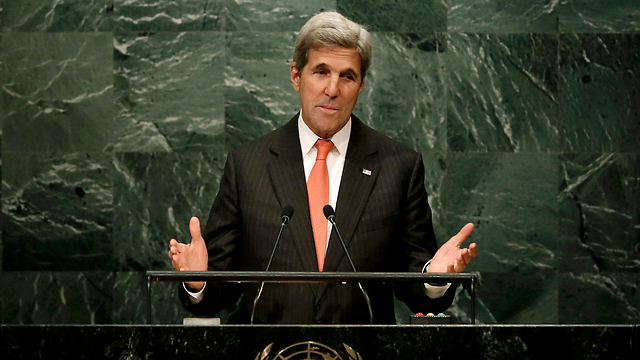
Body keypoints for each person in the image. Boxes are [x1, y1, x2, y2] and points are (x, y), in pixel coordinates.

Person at [168, 11, 477, 324]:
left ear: (361, 86)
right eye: (321, 72)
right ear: (296, 76)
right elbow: (216, 294)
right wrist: (198, 281)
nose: (333, 89)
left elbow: (415, 288)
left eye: (347, 76)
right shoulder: (248, 165)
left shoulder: (398, 166)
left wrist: (434, 278)